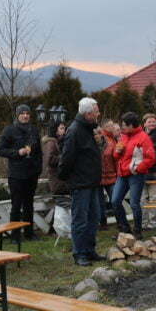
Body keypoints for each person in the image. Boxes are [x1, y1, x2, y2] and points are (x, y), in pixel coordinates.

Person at [58, 97, 104, 266]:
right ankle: (79, 254)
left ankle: (89, 251)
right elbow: (67, 157)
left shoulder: (87, 128)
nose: (98, 114)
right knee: (80, 220)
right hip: (80, 183)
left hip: (91, 181)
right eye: (96, 111)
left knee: (94, 218)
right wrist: (64, 177)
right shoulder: (75, 130)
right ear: (87, 113)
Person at [0, 104, 43, 243]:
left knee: (29, 204)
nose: (25, 116)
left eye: (27, 113)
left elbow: (38, 151)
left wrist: (38, 167)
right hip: (16, 174)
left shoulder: (34, 130)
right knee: (16, 205)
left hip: (32, 173)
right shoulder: (9, 130)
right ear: (17, 115)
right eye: (22, 113)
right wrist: (17, 152)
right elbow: (0, 150)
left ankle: (29, 233)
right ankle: (15, 235)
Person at [111, 111, 156, 239]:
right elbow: (116, 156)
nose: (122, 127)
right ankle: (125, 228)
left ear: (131, 125)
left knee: (134, 203)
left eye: (124, 125)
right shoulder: (124, 136)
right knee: (115, 201)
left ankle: (137, 230)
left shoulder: (143, 138)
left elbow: (151, 158)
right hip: (122, 174)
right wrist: (117, 152)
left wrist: (137, 169)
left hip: (136, 175)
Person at [42, 120, 69, 208]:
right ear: (56, 130)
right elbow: (50, 159)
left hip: (62, 181)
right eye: (61, 128)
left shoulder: (59, 142)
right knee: (63, 208)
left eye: (64, 128)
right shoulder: (51, 143)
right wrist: (65, 157)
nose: (64, 131)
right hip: (57, 181)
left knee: (64, 208)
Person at [95, 125, 117, 230]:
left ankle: (120, 221)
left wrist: (118, 174)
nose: (96, 136)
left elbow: (116, 161)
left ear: (101, 134)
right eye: (93, 135)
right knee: (99, 202)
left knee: (115, 200)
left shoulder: (110, 145)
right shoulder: (90, 146)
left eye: (97, 134)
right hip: (98, 179)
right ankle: (103, 223)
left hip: (111, 176)